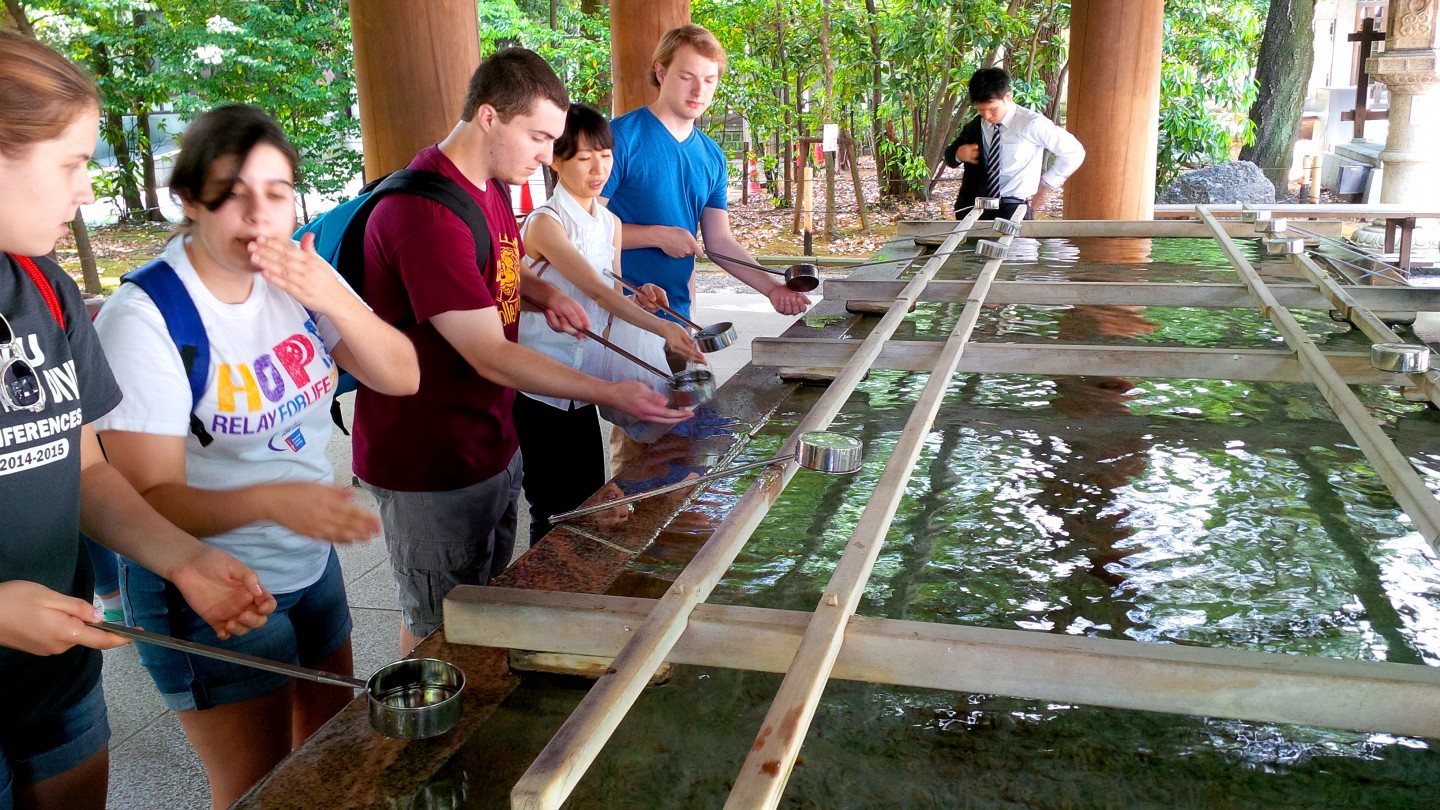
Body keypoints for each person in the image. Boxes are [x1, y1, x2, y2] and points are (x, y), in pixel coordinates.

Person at [92, 104, 419, 809]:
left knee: (330, 751)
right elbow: (147, 497)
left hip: (308, 559)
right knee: (256, 786)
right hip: (206, 580)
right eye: (232, 194)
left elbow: (401, 374)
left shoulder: (296, 276)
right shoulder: (145, 318)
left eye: (276, 193)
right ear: (188, 200)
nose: (258, 215)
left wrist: (334, 297)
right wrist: (273, 500)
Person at [0, 33, 273, 810]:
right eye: (69, 164)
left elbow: (86, 470)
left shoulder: (41, 287)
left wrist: (183, 558)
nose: (86, 190)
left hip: (55, 681)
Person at [353, 47, 692, 655]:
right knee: (441, 625)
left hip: (489, 437)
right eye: (538, 138)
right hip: (431, 460)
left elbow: (499, 270)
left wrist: (541, 294)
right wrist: (609, 391)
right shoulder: (425, 214)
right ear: (489, 117)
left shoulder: (487, 188)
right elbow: (487, 352)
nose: (545, 156)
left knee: (483, 603)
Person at [516, 102, 705, 541]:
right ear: (556, 161)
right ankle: (540, 581)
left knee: (585, 501)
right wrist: (665, 328)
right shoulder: (546, 223)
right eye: (584, 158)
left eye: (605, 156)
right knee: (553, 504)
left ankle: (572, 577)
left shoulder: (611, 223)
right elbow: (595, 290)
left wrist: (641, 299)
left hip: (584, 382)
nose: (598, 168)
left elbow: (612, 295)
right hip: (542, 383)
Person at [601, 24, 811, 323]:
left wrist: (773, 289)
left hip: (676, 314)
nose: (698, 91)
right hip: (616, 313)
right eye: (686, 77)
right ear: (661, 73)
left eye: (709, 80)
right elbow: (581, 227)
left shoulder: (712, 155)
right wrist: (658, 236)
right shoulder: (618, 139)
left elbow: (719, 242)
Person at [943, 67, 1085, 221]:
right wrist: (959, 154)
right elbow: (950, 157)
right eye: (981, 110)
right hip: (974, 210)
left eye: (992, 109)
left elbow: (1074, 152)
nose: (987, 116)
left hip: (1014, 209)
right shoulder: (975, 126)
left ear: (1007, 97)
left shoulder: (1031, 123)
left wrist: (1047, 184)